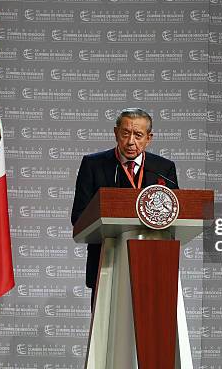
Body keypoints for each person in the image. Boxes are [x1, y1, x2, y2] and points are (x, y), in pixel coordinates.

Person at [70, 108, 179, 308]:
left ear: (149, 138)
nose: (130, 141)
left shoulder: (163, 169)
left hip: (152, 263)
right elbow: (79, 217)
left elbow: (175, 216)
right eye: (125, 133)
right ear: (115, 133)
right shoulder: (93, 165)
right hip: (106, 261)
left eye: (138, 135)